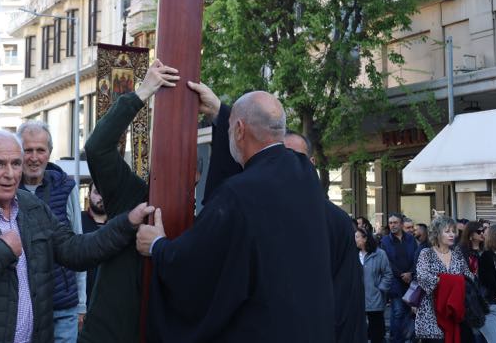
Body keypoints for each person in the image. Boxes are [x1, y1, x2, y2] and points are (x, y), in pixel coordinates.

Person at [137, 89, 356, 342]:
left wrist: (158, 246)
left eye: (231, 128)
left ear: (240, 130)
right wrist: (221, 112)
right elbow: (257, 171)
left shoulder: (236, 195)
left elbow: (197, 263)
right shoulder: (304, 176)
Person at [0, 130, 153, 343]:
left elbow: (74, 250)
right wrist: (0, 251)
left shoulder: (32, 207)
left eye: (16, 164)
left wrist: (126, 223)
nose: (10, 174)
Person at [75, 59, 179, 343]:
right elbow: (98, 148)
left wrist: (219, 114)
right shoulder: (132, 195)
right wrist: (141, 94)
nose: (176, 165)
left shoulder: (209, 213)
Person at [16, 120, 86, 343]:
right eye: (28, 150)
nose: (34, 157)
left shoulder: (66, 188)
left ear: (50, 152)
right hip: (21, 307)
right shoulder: (5, 188)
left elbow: (78, 247)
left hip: (62, 305)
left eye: (40, 150)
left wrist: (81, 304)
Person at [414, 215, 472, 342]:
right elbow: (423, 277)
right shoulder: (426, 253)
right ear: (437, 234)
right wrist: (450, 281)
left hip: (454, 311)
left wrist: (448, 281)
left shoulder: (457, 254)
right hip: (431, 312)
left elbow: (468, 277)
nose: (452, 235)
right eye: (447, 231)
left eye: (453, 231)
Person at [382, 211, 420, 343]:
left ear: (401, 224)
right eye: (390, 223)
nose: (392, 225)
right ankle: (396, 339)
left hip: (411, 281)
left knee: (411, 311)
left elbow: (416, 257)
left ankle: (409, 337)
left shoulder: (411, 239)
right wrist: (401, 275)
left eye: (395, 222)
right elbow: (387, 262)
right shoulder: (385, 241)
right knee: (398, 311)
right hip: (395, 282)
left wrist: (410, 272)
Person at [358, 227, 393, 343]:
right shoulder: (353, 254)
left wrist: (380, 289)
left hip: (375, 297)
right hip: (357, 298)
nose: (355, 239)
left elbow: (387, 274)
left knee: (376, 330)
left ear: (365, 239)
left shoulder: (379, 254)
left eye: (357, 237)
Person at [79, 184, 106, 306]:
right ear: (89, 194)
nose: (102, 197)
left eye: (105, 192)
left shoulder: (119, 224)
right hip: (83, 301)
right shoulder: (78, 221)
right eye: (97, 192)